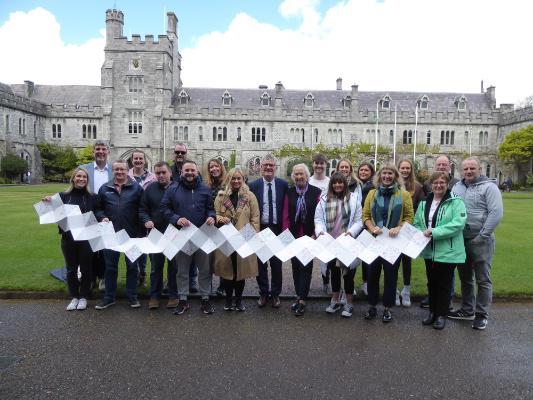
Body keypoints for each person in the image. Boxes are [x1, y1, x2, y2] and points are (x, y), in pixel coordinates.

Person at [449, 157, 503, 330]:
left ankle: (481, 314)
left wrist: (482, 236)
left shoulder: (490, 187)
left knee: (483, 279)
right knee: (465, 278)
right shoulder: (457, 187)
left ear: (479, 169)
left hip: (481, 240)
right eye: (465, 169)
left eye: (472, 168)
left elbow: (496, 213)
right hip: (460, 239)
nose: (469, 171)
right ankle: (467, 310)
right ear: (461, 171)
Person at [160, 160, 216, 315]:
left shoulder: (205, 189)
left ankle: (205, 299)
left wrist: (211, 217)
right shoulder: (173, 189)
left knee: (205, 270)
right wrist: (176, 219)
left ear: (197, 172)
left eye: (192, 170)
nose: (190, 173)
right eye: (187, 170)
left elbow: (211, 209)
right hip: (182, 236)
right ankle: (183, 300)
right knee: (182, 271)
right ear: (181, 172)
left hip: (202, 236)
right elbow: (164, 208)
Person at [414, 171, 467, 329]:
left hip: (447, 250)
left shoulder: (456, 202)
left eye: (442, 182)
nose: (438, 185)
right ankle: (432, 312)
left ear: (447, 184)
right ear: (431, 184)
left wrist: (434, 232)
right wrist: (420, 232)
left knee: (444, 284)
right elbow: (418, 222)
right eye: (435, 182)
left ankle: (441, 315)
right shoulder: (424, 202)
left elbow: (458, 224)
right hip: (429, 250)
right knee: (432, 282)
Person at [362, 164, 414, 323]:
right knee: (372, 275)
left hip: (393, 242)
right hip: (375, 240)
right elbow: (365, 215)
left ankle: (387, 308)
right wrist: (372, 228)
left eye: (390, 173)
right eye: (384, 173)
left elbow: (409, 217)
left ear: (395, 176)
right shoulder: (372, 193)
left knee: (390, 276)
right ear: (379, 176)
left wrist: (399, 227)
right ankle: (372, 306)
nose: (386, 176)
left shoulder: (403, 195)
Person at [42, 167, 97, 311]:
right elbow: (51, 211)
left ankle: (84, 297)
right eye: (79, 176)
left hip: (86, 239)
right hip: (68, 238)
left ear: (87, 180)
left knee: (86, 269)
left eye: (84, 177)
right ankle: (74, 297)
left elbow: (97, 214)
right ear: (73, 178)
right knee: (71, 269)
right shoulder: (62, 196)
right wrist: (48, 200)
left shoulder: (93, 196)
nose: (81, 179)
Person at [94, 160, 144, 310]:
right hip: (111, 235)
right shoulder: (105, 188)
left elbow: (142, 210)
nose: (119, 172)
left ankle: (132, 297)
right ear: (113, 171)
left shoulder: (136, 188)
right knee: (110, 267)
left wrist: (141, 232)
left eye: (122, 169)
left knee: (132, 267)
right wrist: (101, 216)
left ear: (127, 170)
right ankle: (109, 297)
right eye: (116, 169)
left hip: (132, 235)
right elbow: (98, 209)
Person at [315, 172, 363, 318]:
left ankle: (349, 304)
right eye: (335, 183)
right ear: (331, 185)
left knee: (348, 275)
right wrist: (320, 232)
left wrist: (351, 233)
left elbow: (358, 220)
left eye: (340, 182)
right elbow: (318, 218)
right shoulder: (324, 199)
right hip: (330, 242)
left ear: (345, 184)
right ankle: (335, 301)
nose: (337, 185)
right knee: (334, 273)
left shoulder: (354, 199)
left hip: (347, 241)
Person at [213, 167, 260, 312]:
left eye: (239, 178)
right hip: (226, 239)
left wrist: (249, 238)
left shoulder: (249, 196)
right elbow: (213, 214)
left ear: (243, 179)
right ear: (229, 179)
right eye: (233, 178)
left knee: (240, 272)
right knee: (228, 272)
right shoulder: (221, 197)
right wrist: (219, 218)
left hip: (243, 239)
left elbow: (255, 218)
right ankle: (228, 300)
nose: (236, 181)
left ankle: (238, 301)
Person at [248, 154, 288, 308]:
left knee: (277, 264)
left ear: (275, 168)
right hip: (261, 229)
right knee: (261, 264)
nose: (268, 168)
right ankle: (264, 293)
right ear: (260, 167)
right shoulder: (254, 185)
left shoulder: (283, 185)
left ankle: (276, 294)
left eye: (271, 165)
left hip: (278, 229)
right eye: (265, 165)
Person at [420, 154, 459, 308]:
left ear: (449, 165)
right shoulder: (426, 186)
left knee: (447, 276)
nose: (441, 167)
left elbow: (457, 219)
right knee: (432, 275)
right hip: (429, 241)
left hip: (446, 240)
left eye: (444, 164)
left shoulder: (456, 186)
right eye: (439, 165)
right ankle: (433, 301)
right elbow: (423, 214)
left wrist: (435, 231)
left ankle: (446, 303)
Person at [282, 164, 321, 316]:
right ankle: (298, 296)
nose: (299, 177)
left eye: (301, 174)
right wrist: (287, 234)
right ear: (293, 177)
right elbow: (285, 214)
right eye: (296, 174)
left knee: (306, 267)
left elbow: (319, 215)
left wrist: (315, 234)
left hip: (309, 235)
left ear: (307, 175)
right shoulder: (290, 192)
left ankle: (303, 300)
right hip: (293, 236)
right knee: (295, 267)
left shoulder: (316, 192)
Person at [138, 161, 179, 309]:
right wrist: (146, 220)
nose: (161, 175)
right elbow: (142, 209)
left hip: (174, 233)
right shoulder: (150, 189)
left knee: (173, 266)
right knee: (156, 267)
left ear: (170, 173)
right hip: (155, 233)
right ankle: (154, 296)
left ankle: (173, 295)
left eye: (163, 172)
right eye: (158, 173)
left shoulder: (178, 188)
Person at [79, 140, 113, 292]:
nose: (100, 152)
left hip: (108, 214)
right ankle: (90, 278)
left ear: (108, 152)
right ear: (93, 152)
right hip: (88, 213)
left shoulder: (114, 170)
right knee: (89, 249)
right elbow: (73, 188)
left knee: (106, 248)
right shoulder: (84, 169)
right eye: (97, 149)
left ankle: (104, 278)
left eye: (103, 149)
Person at [170, 142, 199, 292]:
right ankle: (172, 282)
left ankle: (192, 279)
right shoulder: (169, 171)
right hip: (174, 218)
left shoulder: (193, 171)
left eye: (182, 152)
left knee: (192, 250)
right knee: (174, 252)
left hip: (191, 217)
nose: (180, 155)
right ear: (173, 154)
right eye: (177, 152)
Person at [396, 158, 425, 307]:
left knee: (406, 261)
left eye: (408, 168)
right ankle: (394, 289)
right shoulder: (392, 185)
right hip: (393, 230)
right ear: (398, 169)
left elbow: (420, 209)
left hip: (408, 230)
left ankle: (406, 290)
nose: (405, 170)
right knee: (392, 261)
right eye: (402, 168)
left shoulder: (418, 187)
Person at [128, 149, 156, 288]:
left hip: (149, 217)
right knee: (136, 247)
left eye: (140, 158)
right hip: (132, 217)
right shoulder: (126, 177)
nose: (138, 161)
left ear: (144, 160)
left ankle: (147, 275)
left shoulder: (152, 177)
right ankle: (137, 275)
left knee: (149, 247)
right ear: (132, 160)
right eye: (136, 159)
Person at [204, 158, 227, 297]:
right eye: (211, 167)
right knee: (208, 258)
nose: (214, 169)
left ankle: (222, 287)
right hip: (209, 224)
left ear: (221, 167)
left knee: (222, 258)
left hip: (223, 225)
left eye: (216, 166)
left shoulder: (227, 185)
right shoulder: (205, 185)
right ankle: (208, 288)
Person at [308, 153, 331, 294]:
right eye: (316, 163)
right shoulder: (308, 180)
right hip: (310, 221)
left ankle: (326, 282)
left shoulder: (330, 182)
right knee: (308, 254)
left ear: (325, 165)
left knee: (325, 255)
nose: (319, 166)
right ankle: (306, 283)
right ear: (313, 164)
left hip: (326, 221)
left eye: (321, 163)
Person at [357, 161, 376, 296]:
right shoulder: (355, 185)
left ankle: (366, 283)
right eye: (361, 170)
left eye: (366, 170)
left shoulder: (373, 188)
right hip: (354, 225)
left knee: (367, 256)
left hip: (367, 225)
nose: (363, 172)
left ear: (371, 173)